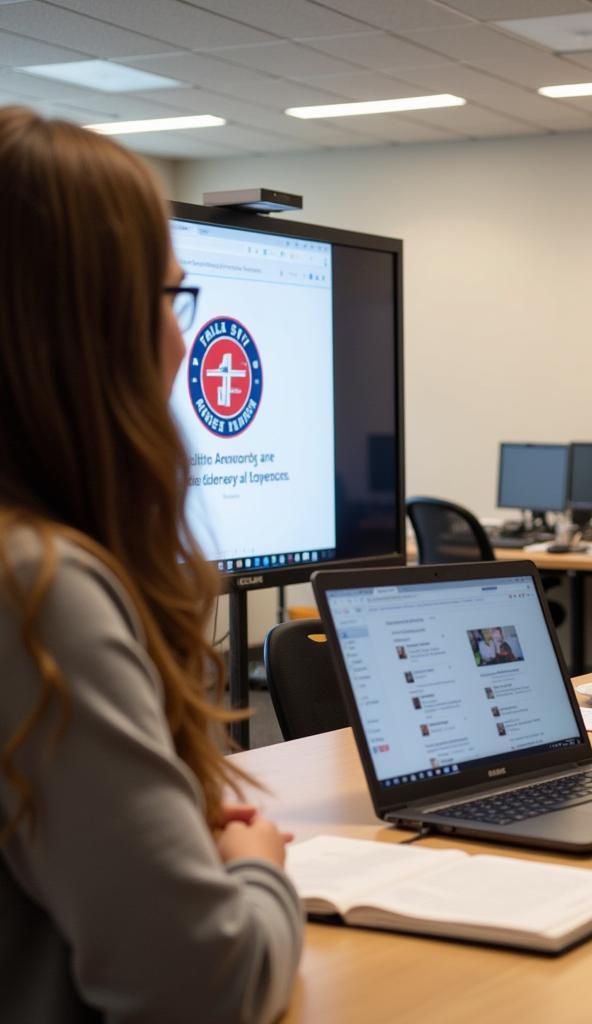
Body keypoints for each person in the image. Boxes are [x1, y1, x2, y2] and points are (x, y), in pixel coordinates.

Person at [0, 108, 302, 1023]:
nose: (183, 344)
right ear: (85, 327)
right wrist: (260, 875)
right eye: (170, 301)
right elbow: (201, 985)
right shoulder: (37, 586)